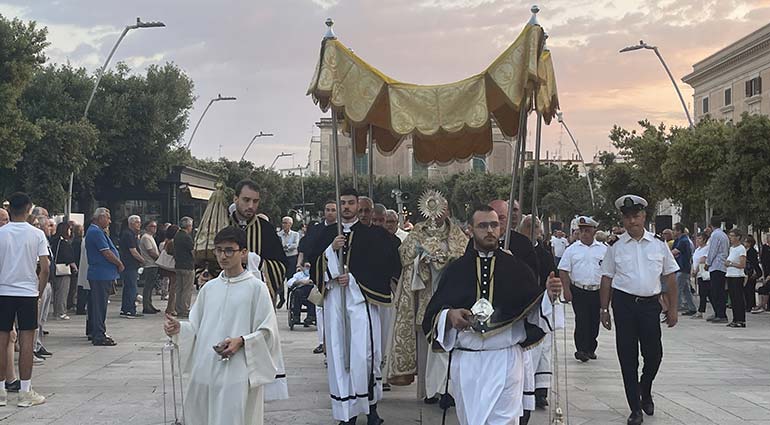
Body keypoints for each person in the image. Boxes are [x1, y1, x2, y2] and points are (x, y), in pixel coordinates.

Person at [422, 205, 562, 425]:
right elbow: (433, 312)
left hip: (504, 359)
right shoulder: (456, 270)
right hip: (467, 360)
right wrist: (449, 316)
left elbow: (533, 310)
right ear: (470, 229)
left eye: (494, 225)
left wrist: (549, 296)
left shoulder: (517, 268)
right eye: (483, 225)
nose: (489, 230)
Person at [163, 226, 286, 425]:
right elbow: (196, 326)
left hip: (237, 371)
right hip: (205, 369)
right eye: (218, 250)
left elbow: (268, 332)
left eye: (229, 250)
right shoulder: (209, 288)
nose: (223, 256)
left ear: (243, 252)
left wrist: (242, 341)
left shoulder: (257, 288)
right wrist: (179, 329)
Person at [306, 188, 400, 425]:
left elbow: (382, 266)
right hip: (335, 299)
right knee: (339, 354)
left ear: (358, 205)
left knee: (364, 354)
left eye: (350, 203)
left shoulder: (373, 235)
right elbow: (314, 263)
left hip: (360, 301)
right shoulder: (327, 233)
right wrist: (331, 251)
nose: (346, 207)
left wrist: (355, 280)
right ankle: (345, 411)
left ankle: (371, 408)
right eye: (342, 203)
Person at [600, 195, 679, 425]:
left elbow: (670, 277)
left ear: (644, 216)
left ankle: (645, 388)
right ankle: (635, 408)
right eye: (627, 218)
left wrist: (673, 309)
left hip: (649, 305)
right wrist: (604, 309)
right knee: (627, 357)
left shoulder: (657, 243)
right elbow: (606, 278)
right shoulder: (615, 246)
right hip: (624, 305)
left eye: (636, 216)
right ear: (623, 220)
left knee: (654, 354)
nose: (632, 221)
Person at [387, 202, 467, 404]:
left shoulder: (456, 234)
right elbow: (404, 256)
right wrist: (421, 259)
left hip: (450, 296)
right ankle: (429, 390)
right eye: (432, 210)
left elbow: (464, 257)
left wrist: (447, 259)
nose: (436, 214)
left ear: (447, 211)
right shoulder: (418, 233)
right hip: (425, 294)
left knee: (448, 343)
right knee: (428, 347)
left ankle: (447, 390)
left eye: (441, 209)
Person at [0, 192, 50, 407]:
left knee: (2, 342)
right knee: (27, 341)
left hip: (3, 291)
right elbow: (45, 267)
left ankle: (1, 391)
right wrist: (38, 290)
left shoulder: (1, 233)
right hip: (27, 292)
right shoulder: (37, 234)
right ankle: (25, 391)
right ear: (29, 209)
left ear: (10, 209)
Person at [229, 180, 288, 306]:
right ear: (235, 199)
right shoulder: (222, 225)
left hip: (257, 299)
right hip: (226, 297)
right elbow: (204, 259)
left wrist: (254, 260)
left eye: (255, 201)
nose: (251, 205)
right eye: (246, 200)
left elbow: (281, 266)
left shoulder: (266, 229)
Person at [559, 216, 606, 362]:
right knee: (582, 320)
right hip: (579, 290)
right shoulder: (572, 250)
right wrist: (566, 290)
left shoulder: (604, 249)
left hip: (597, 290)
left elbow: (609, 272)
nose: (584, 233)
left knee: (594, 321)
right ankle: (581, 349)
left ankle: (591, 348)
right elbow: (563, 270)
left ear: (594, 232)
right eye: (582, 231)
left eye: (587, 230)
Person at [297, 200, 337, 354]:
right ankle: (322, 342)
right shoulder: (316, 229)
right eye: (328, 209)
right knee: (320, 310)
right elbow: (308, 247)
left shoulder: (340, 229)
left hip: (335, 275)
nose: (330, 212)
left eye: (333, 210)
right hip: (318, 274)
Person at [86, 208, 124, 346]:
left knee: (99, 305)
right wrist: (119, 263)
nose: (109, 221)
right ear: (100, 218)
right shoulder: (96, 232)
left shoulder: (97, 231)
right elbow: (106, 252)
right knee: (99, 305)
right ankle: (99, 334)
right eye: (107, 218)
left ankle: (97, 331)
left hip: (102, 273)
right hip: (101, 273)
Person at [50, 222, 77, 321]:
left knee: (57, 292)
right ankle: (61, 311)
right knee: (62, 291)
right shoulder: (64, 243)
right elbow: (68, 257)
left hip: (55, 269)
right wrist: (74, 266)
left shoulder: (55, 241)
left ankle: (57, 311)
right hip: (63, 270)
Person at [118, 215, 144, 319]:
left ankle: (126, 309)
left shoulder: (130, 234)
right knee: (132, 287)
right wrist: (143, 260)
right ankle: (130, 309)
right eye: (137, 222)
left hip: (128, 264)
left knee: (128, 287)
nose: (139, 224)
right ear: (132, 223)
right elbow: (133, 251)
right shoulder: (128, 234)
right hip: (130, 264)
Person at [705, 216, 729, 323]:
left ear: (711, 225)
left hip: (716, 265)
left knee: (716, 291)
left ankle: (720, 314)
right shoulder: (724, 235)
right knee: (719, 291)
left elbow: (713, 250)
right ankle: (719, 312)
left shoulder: (715, 235)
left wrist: (707, 263)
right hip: (722, 265)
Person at [724, 229, 747, 328]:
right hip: (730, 275)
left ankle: (741, 319)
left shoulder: (741, 249)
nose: (731, 238)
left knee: (738, 298)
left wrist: (731, 264)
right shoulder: (732, 248)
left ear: (738, 237)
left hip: (737, 276)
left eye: (733, 236)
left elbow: (742, 264)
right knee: (733, 299)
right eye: (730, 236)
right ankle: (735, 318)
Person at [672, 223, 696, 316]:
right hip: (680, 267)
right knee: (686, 289)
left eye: (674, 230)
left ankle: (675, 307)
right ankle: (691, 307)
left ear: (679, 231)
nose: (673, 232)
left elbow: (675, 252)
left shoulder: (683, 240)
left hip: (682, 267)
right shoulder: (679, 240)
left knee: (677, 288)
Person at [174, 217, 195, 318]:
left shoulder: (177, 235)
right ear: (188, 226)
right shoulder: (187, 237)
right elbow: (192, 251)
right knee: (187, 289)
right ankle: (185, 309)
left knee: (179, 288)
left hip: (178, 265)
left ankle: (178, 308)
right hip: (187, 265)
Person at [139, 220, 160, 314]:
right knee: (148, 286)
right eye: (152, 226)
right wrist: (160, 259)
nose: (154, 228)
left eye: (155, 226)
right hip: (150, 264)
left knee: (151, 286)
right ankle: (146, 306)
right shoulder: (146, 237)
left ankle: (149, 304)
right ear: (147, 227)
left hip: (153, 264)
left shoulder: (151, 237)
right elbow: (150, 251)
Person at [278, 216, 300, 307]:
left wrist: (286, 247)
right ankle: (282, 298)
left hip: (292, 258)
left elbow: (295, 245)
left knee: (290, 279)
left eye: (286, 223)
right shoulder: (279, 234)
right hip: (282, 258)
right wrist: (286, 246)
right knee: (280, 279)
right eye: (283, 222)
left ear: (291, 224)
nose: (284, 225)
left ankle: (290, 300)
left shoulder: (295, 234)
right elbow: (279, 245)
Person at [287, 262, 316, 326]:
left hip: (311, 292)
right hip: (300, 292)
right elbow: (289, 283)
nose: (308, 268)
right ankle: (296, 316)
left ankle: (311, 316)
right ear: (302, 267)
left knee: (313, 293)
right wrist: (300, 281)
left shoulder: (315, 273)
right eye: (306, 267)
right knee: (297, 292)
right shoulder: (298, 275)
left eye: (309, 267)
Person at [158, 225, 179, 314]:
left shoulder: (167, 241)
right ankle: (171, 308)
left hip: (167, 267)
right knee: (174, 288)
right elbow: (173, 253)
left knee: (172, 287)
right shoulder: (172, 242)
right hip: (172, 267)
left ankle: (171, 308)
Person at [690, 232, 711, 319]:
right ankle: (701, 311)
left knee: (704, 293)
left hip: (703, 273)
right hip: (698, 274)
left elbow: (702, 261)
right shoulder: (697, 249)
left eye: (700, 239)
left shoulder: (707, 248)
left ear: (705, 240)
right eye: (697, 238)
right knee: (703, 293)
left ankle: (700, 311)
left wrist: (696, 270)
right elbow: (694, 260)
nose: (698, 240)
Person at [68, 223, 83, 312]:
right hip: (77, 264)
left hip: (76, 264)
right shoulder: (78, 242)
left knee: (73, 286)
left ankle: (71, 302)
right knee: (73, 286)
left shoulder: (73, 241)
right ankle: (71, 303)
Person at [744, 235, 761, 313]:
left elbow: (754, 262)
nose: (744, 243)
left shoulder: (752, 251)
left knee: (750, 289)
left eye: (746, 241)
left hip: (751, 271)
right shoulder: (746, 250)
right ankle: (748, 304)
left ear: (750, 243)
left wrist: (755, 272)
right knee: (747, 289)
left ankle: (750, 305)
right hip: (747, 271)